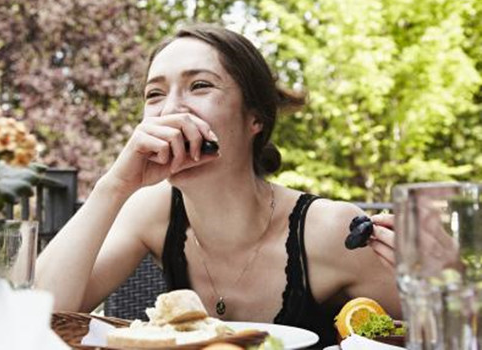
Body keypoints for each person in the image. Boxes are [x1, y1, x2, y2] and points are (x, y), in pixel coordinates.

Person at [35, 24, 401, 346]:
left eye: (200, 86)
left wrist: (440, 273)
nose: (171, 110)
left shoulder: (332, 230)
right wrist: (115, 185)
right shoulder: (150, 210)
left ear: (255, 118)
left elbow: (428, 333)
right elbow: (39, 316)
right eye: (155, 94)